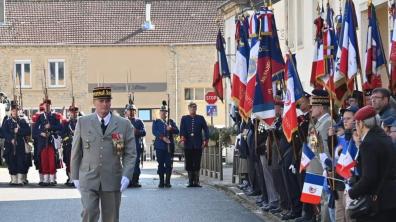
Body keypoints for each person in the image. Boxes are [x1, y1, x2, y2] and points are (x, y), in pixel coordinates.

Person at [71, 86, 137, 222]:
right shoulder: (83, 122)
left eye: (107, 100)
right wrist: (75, 176)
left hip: (112, 177)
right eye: (101, 100)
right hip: (89, 177)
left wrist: (127, 175)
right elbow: (76, 151)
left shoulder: (123, 124)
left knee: (111, 217)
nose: (104, 104)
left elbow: (130, 153)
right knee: (89, 211)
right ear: (94, 102)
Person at [348, 105, 396, 221]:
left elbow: (370, 177)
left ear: (361, 124)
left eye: (356, 124)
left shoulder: (368, 143)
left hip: (378, 203)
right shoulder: (383, 137)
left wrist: (352, 192)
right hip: (390, 199)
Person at [32, 99, 62, 186]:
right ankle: (45, 179)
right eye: (46, 105)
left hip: (51, 142)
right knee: (44, 160)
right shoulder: (40, 117)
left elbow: (60, 127)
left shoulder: (55, 116)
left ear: (51, 105)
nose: (47, 106)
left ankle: (52, 179)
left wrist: (51, 126)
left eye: (48, 105)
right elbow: (34, 130)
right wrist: (41, 133)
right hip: (42, 142)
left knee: (52, 161)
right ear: (43, 106)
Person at [180, 102, 209, 187]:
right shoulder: (184, 118)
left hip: (197, 144)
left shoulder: (200, 118)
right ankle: (190, 181)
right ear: (188, 109)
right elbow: (182, 130)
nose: (193, 109)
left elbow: (206, 129)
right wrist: (182, 139)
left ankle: (196, 181)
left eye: (194, 108)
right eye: (191, 108)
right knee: (188, 163)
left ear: (196, 109)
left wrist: (205, 140)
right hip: (188, 144)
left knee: (197, 162)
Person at [2, 101, 31, 185]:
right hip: (10, 145)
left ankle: (20, 180)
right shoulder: (7, 121)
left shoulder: (22, 121)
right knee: (11, 162)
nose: (15, 112)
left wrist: (19, 131)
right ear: (11, 111)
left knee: (20, 162)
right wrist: (10, 139)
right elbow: (3, 132)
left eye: (17, 111)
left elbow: (28, 131)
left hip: (20, 145)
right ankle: (14, 179)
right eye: (13, 111)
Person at [152, 101, 179, 188]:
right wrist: (162, 137)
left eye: (166, 111)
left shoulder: (171, 121)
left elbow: (177, 131)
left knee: (169, 164)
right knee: (160, 164)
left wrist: (171, 129)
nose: (164, 113)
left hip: (169, 147)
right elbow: (154, 131)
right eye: (163, 111)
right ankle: (161, 181)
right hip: (160, 146)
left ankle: (167, 182)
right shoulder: (156, 121)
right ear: (160, 112)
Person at [125, 101, 146, 188]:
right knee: (126, 164)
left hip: (136, 145)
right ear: (127, 111)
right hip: (126, 146)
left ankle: (135, 181)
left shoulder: (139, 121)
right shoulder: (124, 121)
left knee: (136, 164)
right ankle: (127, 181)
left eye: (133, 110)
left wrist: (137, 131)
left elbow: (144, 132)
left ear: (135, 111)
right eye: (130, 110)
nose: (131, 112)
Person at [61, 104, 79, 186]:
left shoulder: (80, 122)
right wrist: (69, 137)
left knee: (78, 162)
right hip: (68, 145)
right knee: (68, 162)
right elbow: (62, 134)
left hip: (78, 146)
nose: (74, 114)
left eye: (75, 112)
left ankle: (77, 179)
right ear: (69, 113)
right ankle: (70, 178)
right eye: (72, 112)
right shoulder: (66, 123)